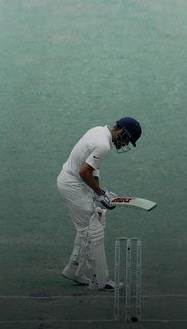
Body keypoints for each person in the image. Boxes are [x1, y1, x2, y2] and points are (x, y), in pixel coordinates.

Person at [57, 117, 142, 290]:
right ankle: (99, 280)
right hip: (73, 184)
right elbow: (84, 172)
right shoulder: (103, 145)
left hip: (74, 182)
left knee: (89, 227)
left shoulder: (98, 131)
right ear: (122, 132)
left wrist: (99, 192)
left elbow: (92, 168)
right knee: (92, 229)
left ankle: (74, 269)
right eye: (127, 139)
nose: (125, 144)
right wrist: (99, 192)